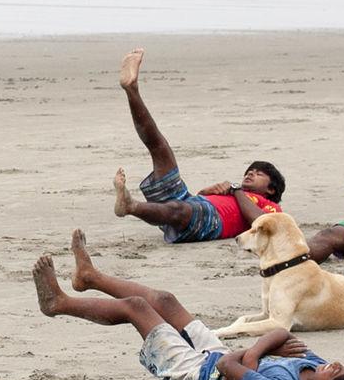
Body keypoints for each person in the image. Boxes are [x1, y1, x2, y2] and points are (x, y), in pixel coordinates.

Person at [31, 229, 344, 380]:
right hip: (217, 358)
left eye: (337, 375)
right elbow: (282, 335)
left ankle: (58, 303)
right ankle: (90, 278)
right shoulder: (313, 369)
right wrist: (259, 352)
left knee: (137, 309)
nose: (335, 365)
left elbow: (227, 367)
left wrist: (251, 356)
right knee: (165, 300)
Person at [107, 48, 286, 244]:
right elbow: (200, 201)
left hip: (213, 222)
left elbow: (261, 222)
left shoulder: (270, 208)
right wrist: (207, 191)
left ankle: (131, 206)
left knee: (178, 209)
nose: (250, 174)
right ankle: (131, 89)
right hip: (192, 203)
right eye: (250, 171)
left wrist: (235, 189)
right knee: (161, 149)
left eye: (259, 174)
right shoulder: (236, 193)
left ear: (271, 190)